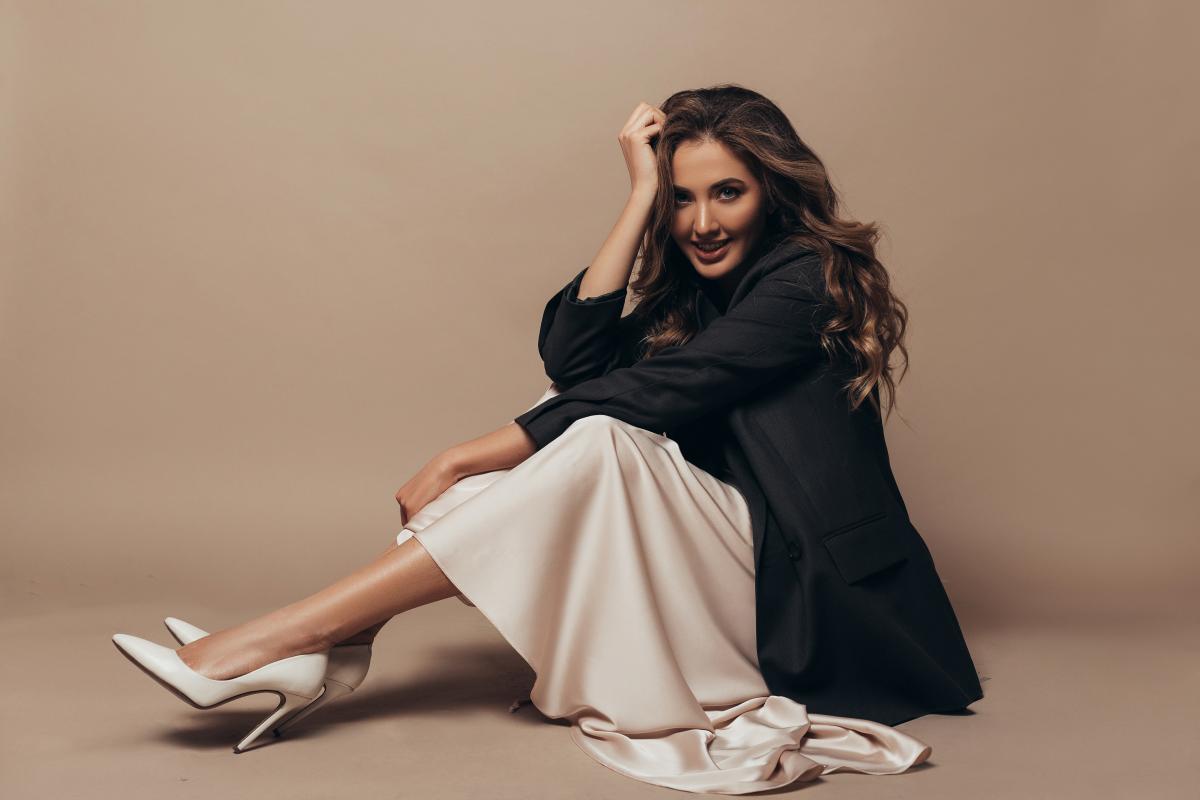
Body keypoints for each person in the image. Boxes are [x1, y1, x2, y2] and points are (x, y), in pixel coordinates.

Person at [112, 84, 981, 794]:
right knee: (572, 417)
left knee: (597, 438)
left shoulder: (805, 278)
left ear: (773, 193)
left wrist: (462, 453)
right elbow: (575, 359)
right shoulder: (693, 292)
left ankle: (285, 639)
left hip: (817, 599)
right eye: (682, 198)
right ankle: (326, 639)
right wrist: (637, 199)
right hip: (742, 562)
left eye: (728, 192)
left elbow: (670, 387)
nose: (702, 223)